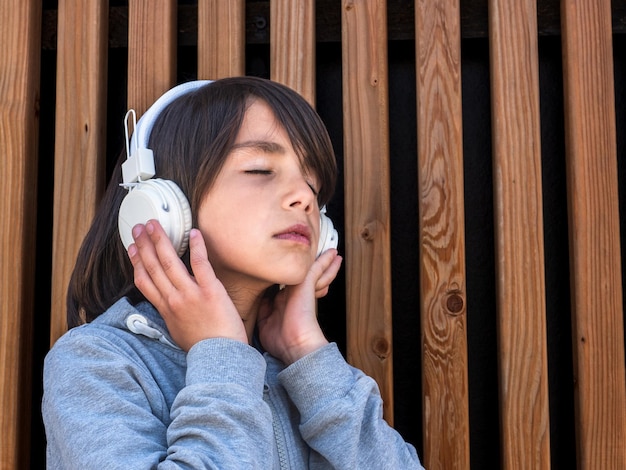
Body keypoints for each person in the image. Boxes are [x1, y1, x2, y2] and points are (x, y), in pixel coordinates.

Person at [42, 76, 425, 469]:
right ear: (161, 203)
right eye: (260, 169)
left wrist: (306, 355)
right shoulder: (95, 363)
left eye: (312, 181)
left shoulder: (302, 375)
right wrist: (223, 358)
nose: (305, 196)